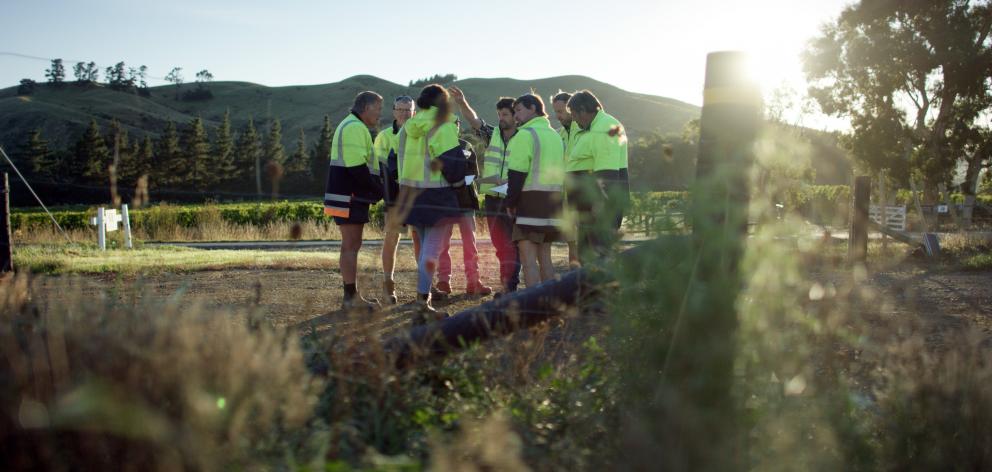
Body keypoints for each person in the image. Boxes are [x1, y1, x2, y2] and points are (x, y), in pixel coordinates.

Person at [397, 84, 467, 322]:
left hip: (410, 192)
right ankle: (422, 303)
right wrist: (460, 184)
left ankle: (422, 301)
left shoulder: (408, 127)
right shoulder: (443, 125)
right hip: (436, 193)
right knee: (432, 249)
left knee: (425, 247)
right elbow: (452, 163)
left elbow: (398, 159)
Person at [449, 86, 521, 296]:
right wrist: (462, 103)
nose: (501, 118)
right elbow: (474, 121)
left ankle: (510, 286)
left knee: (512, 244)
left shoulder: (525, 136)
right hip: (492, 197)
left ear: (516, 115)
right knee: (499, 244)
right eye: (499, 114)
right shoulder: (494, 134)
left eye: (505, 114)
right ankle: (506, 284)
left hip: (513, 197)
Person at [324, 91, 385, 311]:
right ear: (367, 108)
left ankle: (351, 296)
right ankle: (351, 299)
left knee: (350, 246)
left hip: (345, 195)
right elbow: (356, 168)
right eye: (378, 108)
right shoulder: (355, 128)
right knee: (351, 246)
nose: (380, 114)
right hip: (349, 196)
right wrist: (380, 190)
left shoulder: (350, 125)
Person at [504, 94, 566, 287]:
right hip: (553, 205)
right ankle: (551, 308)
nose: (516, 116)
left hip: (530, 205)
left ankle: (535, 312)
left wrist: (510, 203)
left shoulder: (525, 134)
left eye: (519, 110)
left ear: (533, 108)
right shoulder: (556, 135)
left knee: (528, 261)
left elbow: (516, 174)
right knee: (545, 260)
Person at [565, 89, 630, 258]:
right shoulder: (592, 128)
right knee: (588, 258)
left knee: (598, 259)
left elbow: (606, 174)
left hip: (598, 211)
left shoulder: (604, 128)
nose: (573, 119)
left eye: (574, 114)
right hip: (588, 210)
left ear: (583, 111)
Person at [435, 128, 493, 297]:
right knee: (442, 245)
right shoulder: (436, 146)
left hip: (466, 202)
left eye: (456, 123)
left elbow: (474, 173)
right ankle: (443, 281)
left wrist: (459, 182)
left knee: (470, 244)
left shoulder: (466, 146)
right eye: (450, 124)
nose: (454, 126)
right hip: (445, 203)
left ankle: (473, 281)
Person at [374, 95, 417, 304]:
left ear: (414, 112)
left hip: (418, 196)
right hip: (395, 198)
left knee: (421, 240)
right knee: (392, 239)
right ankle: (388, 286)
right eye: (400, 109)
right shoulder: (383, 137)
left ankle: (425, 286)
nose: (404, 113)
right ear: (393, 111)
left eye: (408, 110)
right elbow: (379, 169)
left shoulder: (421, 135)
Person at [550, 91, 581, 267]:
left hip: (583, 194)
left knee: (586, 240)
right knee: (572, 241)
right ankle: (575, 278)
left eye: (561, 111)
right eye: (556, 112)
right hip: (566, 197)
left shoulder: (585, 130)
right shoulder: (558, 134)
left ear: (572, 109)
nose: (558, 116)